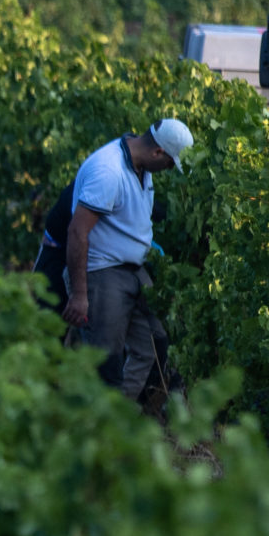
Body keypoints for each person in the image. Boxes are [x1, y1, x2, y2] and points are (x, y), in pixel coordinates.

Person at [63, 118, 192, 404]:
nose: (170, 170)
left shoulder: (142, 168)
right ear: (158, 152)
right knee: (106, 360)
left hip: (133, 269)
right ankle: (99, 431)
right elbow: (77, 231)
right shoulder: (109, 171)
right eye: (171, 163)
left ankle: (119, 418)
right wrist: (80, 294)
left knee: (155, 343)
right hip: (103, 272)